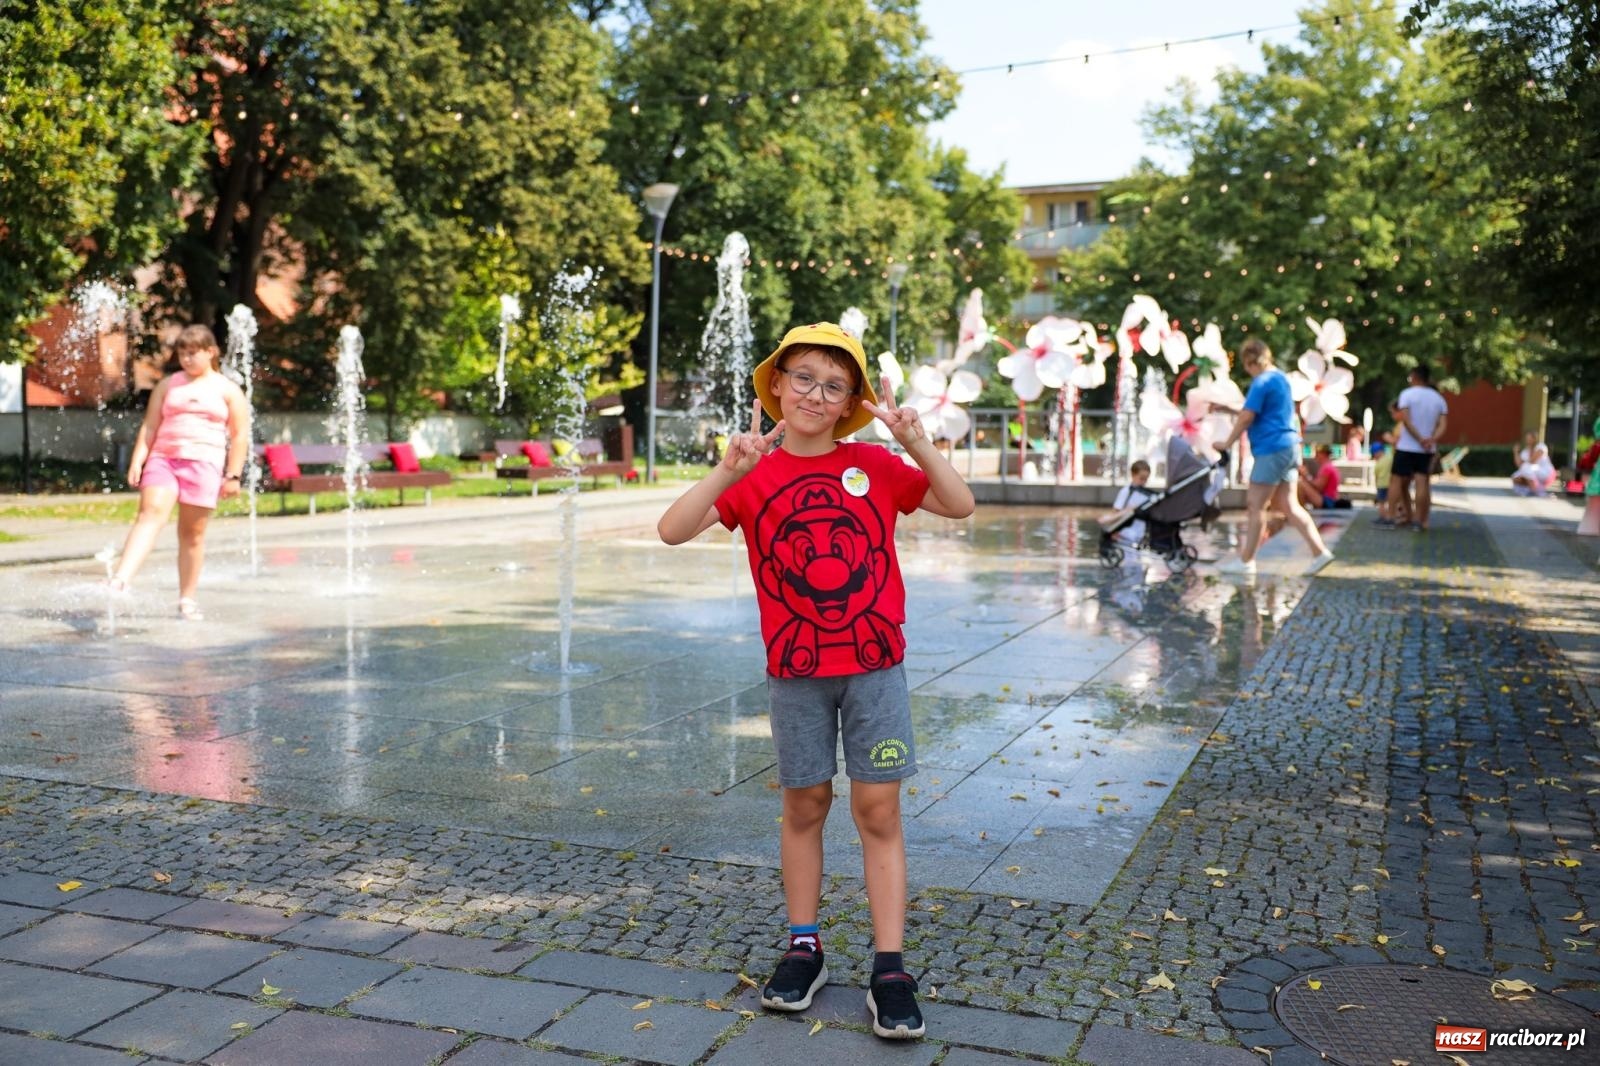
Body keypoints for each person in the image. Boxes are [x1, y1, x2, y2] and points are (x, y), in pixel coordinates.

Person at [657, 322, 974, 1040]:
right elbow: (672, 530)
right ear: (777, 384)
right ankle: (805, 946)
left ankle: (889, 968)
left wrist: (916, 440)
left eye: (834, 386)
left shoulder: (874, 464)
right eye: (803, 377)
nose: (815, 394)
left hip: (875, 669)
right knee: (804, 804)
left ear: (850, 402)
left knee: (878, 811)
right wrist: (727, 470)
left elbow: (959, 504)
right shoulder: (752, 474)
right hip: (795, 673)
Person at [107, 324, 250, 619]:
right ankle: (119, 581)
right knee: (150, 515)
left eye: (193, 353)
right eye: (182, 353)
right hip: (164, 459)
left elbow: (239, 436)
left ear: (211, 352)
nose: (186, 359)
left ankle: (187, 599)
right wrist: (138, 460)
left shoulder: (228, 390)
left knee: (192, 534)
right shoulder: (168, 385)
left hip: (204, 464)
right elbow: (150, 426)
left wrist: (233, 475)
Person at [1210, 338, 1335, 576]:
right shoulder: (1280, 379)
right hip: (1289, 447)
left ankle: (1246, 561)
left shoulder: (1262, 381)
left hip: (1271, 448)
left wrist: (1226, 443)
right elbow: (1259, 412)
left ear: (1251, 361)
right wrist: (1226, 408)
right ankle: (1320, 553)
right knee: (1290, 505)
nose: (1247, 370)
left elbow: (1247, 417)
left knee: (1255, 505)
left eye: (1246, 365)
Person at [1387, 364, 1448, 532]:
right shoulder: (1438, 398)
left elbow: (1406, 420)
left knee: (1396, 480)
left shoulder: (1407, 394)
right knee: (1422, 482)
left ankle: (1390, 516)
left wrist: (1419, 438)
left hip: (1407, 446)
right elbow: (1443, 425)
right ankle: (1419, 520)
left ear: (1414, 377)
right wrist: (1431, 439)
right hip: (1427, 449)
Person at [1098, 459, 1156, 546]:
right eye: (1141, 478)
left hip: (1140, 535)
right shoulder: (1126, 492)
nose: (1144, 482)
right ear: (1133, 475)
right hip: (1125, 534)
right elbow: (1115, 512)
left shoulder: (1147, 495)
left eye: (1146, 479)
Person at [1296, 444, 1342, 510]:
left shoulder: (1327, 468)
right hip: (1328, 499)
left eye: (1317, 454)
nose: (1315, 457)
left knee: (1300, 484)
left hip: (1328, 501)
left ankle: (1301, 509)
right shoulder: (1327, 466)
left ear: (1323, 454)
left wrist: (1306, 475)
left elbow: (1319, 487)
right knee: (1301, 483)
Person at [1511, 431, 1555, 497]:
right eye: (1527, 438)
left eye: (1529, 438)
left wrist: (1524, 462)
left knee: (1526, 468)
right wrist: (1516, 452)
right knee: (1515, 477)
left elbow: (1532, 461)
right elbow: (1519, 465)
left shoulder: (1541, 446)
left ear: (1535, 439)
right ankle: (1530, 490)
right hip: (1532, 472)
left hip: (1546, 472)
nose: (1527, 440)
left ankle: (1538, 491)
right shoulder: (1525, 451)